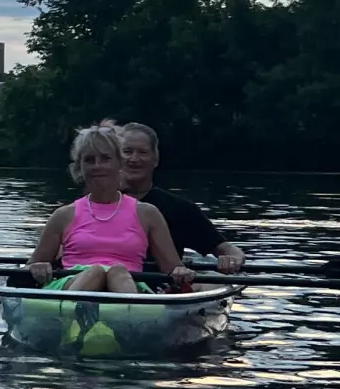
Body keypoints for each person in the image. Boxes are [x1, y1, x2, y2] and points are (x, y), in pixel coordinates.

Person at [27, 123, 193, 294]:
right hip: (72, 282)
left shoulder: (148, 214)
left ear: (120, 163)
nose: (98, 166)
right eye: (89, 160)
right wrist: (39, 267)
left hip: (128, 283)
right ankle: (77, 313)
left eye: (105, 158)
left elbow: (173, 268)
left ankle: (127, 314)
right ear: (80, 168)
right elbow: (30, 266)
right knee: (96, 272)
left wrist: (180, 272)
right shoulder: (63, 216)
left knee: (117, 271)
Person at [113, 120, 245, 275]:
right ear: (115, 158)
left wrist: (231, 259)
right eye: (127, 151)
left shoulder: (181, 209)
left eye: (142, 152)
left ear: (156, 159)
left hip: (160, 290)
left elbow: (229, 250)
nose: (134, 159)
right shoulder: (97, 204)